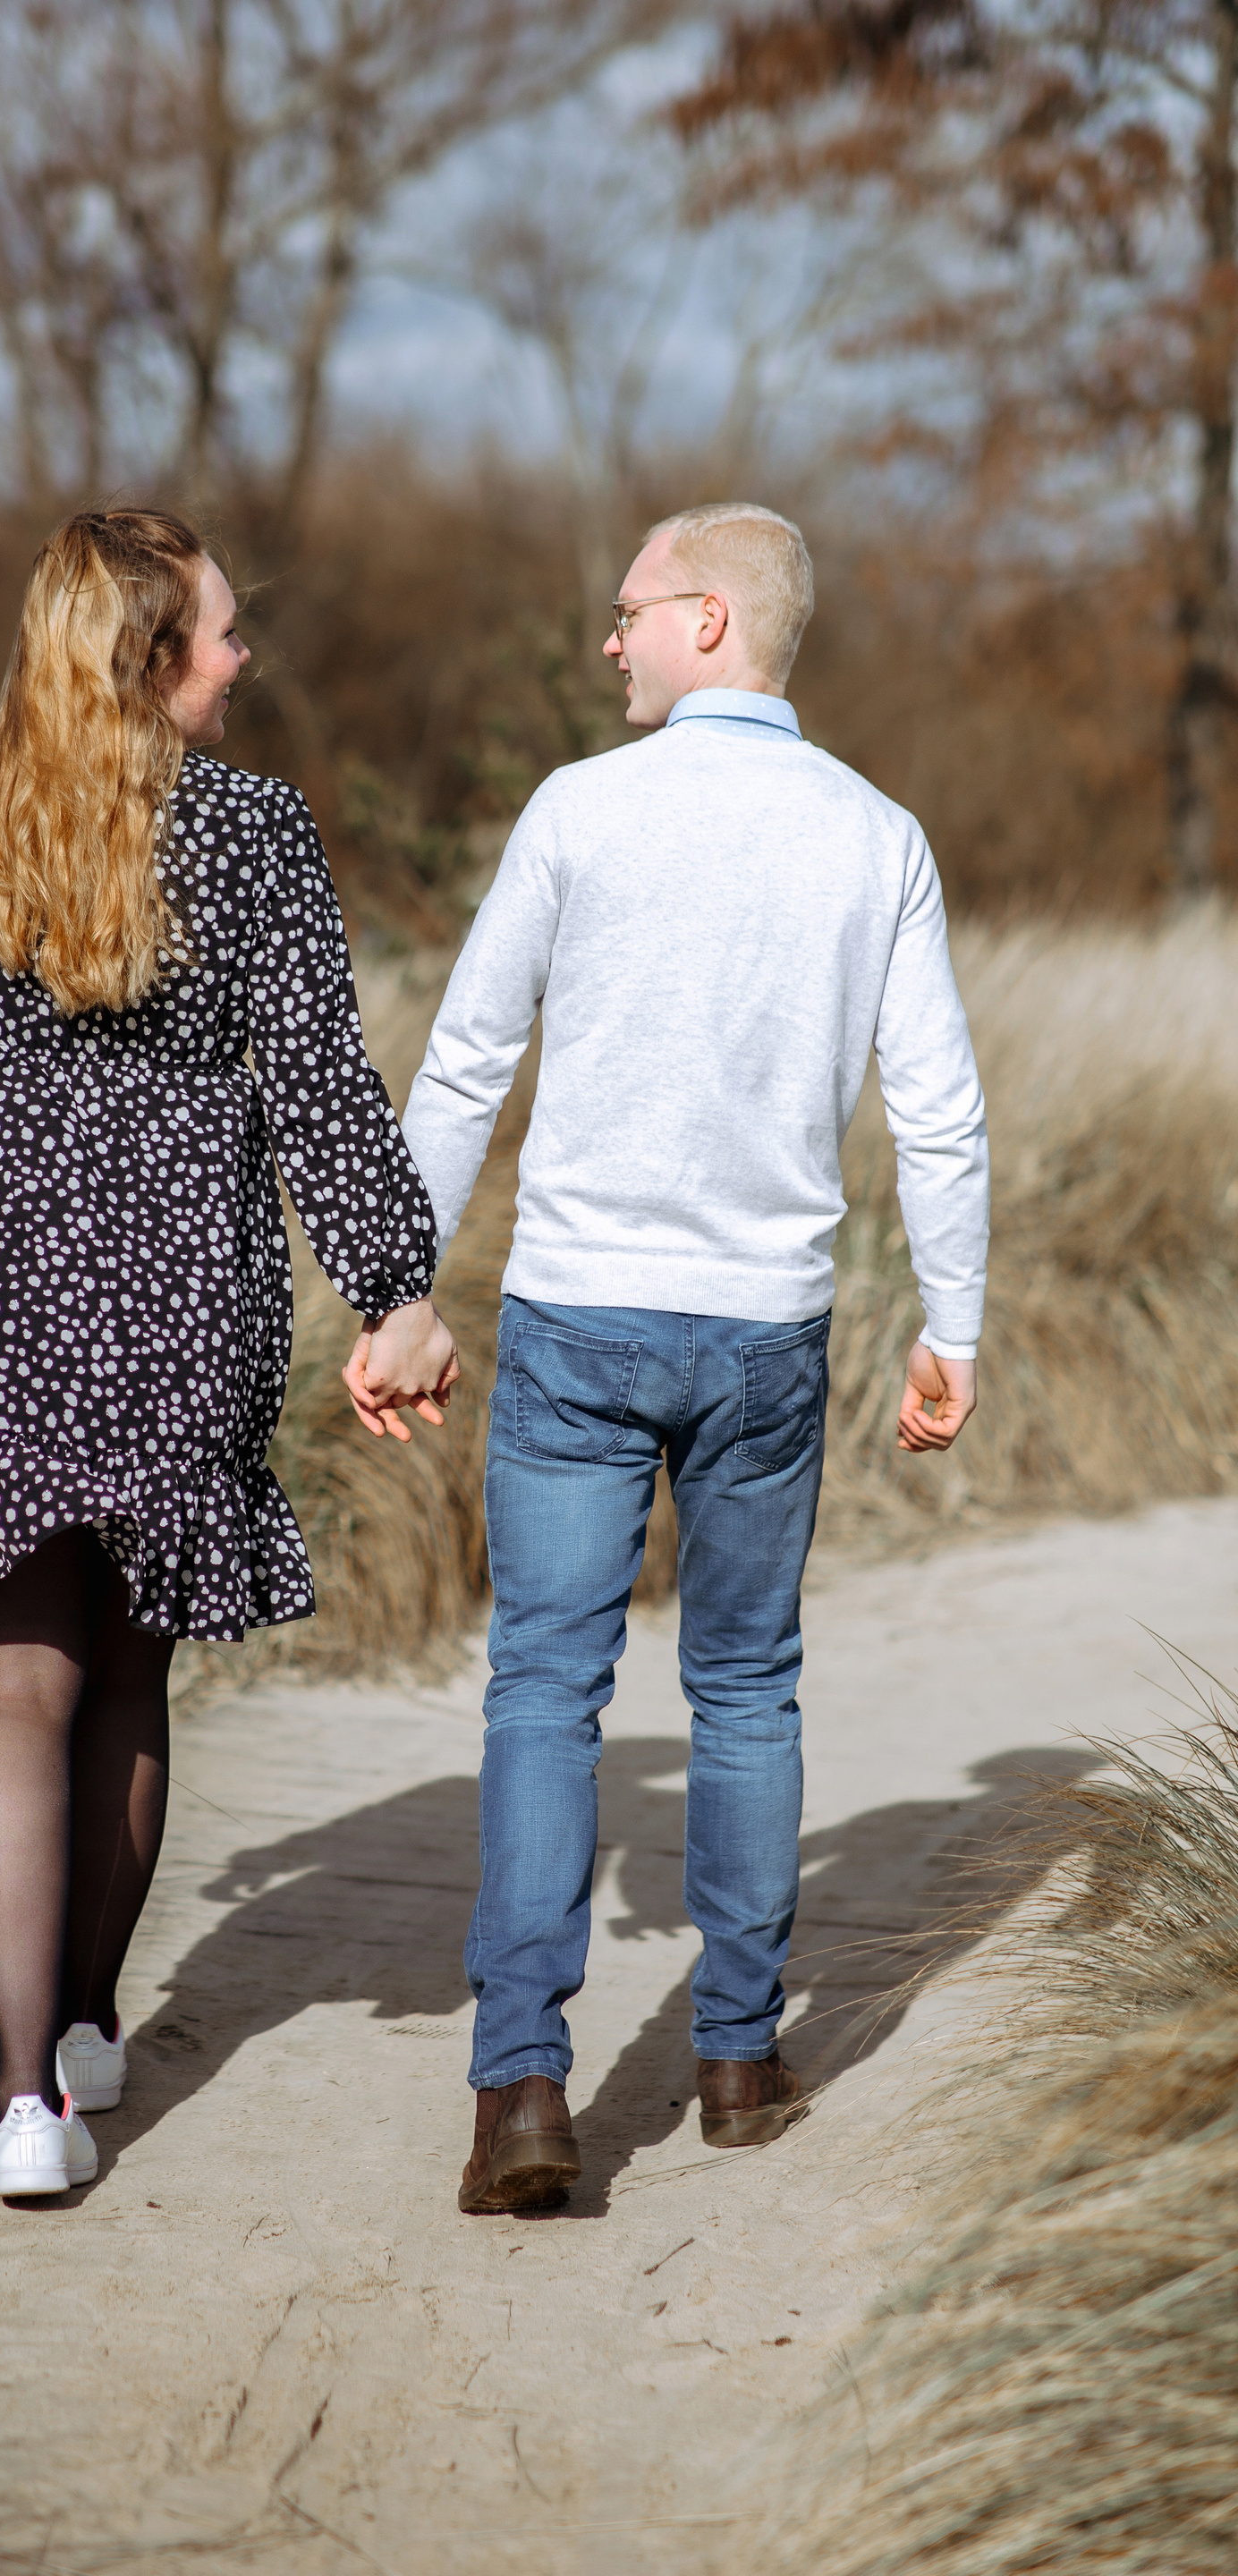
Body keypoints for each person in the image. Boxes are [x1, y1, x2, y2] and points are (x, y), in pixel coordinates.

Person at [348, 502, 988, 2214]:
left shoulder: (580, 808)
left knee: (544, 1691)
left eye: (630, 609)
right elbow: (937, 1107)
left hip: (581, 1318)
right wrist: (955, 1322)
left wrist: (399, 1294)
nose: (609, 637)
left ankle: (522, 2092)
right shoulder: (878, 836)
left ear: (712, 620)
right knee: (747, 1688)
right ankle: (738, 2061)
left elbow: (466, 1062)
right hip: (767, 1329)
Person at [0, 507, 455, 2199]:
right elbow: (320, 1081)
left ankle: (26, 2096)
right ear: (151, 655)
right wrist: (393, 1288)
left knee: (8, 1687)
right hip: (180, 1285)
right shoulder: (253, 832)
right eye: (224, 633)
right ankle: (93, 2017)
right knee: (124, 1676)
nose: (245, 658)